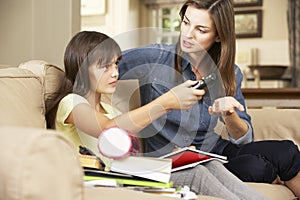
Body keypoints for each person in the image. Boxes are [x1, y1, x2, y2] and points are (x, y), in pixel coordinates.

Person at [117, 0, 300, 198]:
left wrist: (230, 115)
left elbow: (245, 138)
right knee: (256, 167)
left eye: (201, 30)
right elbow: (101, 66)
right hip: (171, 159)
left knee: (287, 151)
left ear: (219, 36)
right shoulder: (155, 57)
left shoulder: (229, 73)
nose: (187, 35)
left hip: (213, 152)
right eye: (186, 23)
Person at [54, 31, 267, 199]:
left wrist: (177, 156)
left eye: (116, 64)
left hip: (128, 173)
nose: (115, 72)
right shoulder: (72, 103)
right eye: (104, 66)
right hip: (100, 179)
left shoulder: (111, 110)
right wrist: (166, 102)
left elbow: (130, 157)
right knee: (196, 174)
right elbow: (109, 129)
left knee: (205, 164)